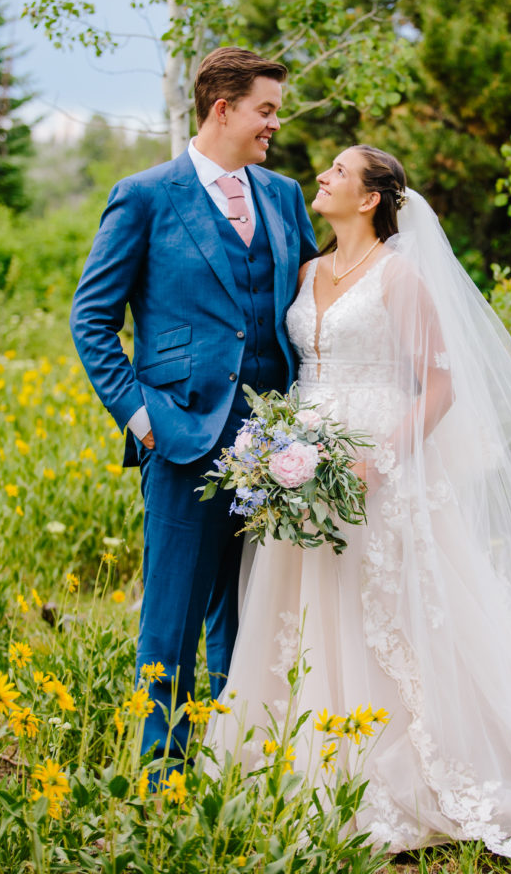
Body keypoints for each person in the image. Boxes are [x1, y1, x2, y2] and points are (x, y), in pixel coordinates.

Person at [205, 144, 511, 870]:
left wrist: (377, 462)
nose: (320, 178)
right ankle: (303, 764)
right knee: (307, 608)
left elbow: (440, 387)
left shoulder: (401, 277)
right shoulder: (306, 271)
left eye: (336, 172)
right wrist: (282, 451)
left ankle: (407, 767)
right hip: (304, 465)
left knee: (392, 616)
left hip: (379, 468)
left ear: (368, 199)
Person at [70, 47, 317, 761]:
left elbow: (303, 304)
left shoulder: (283, 195)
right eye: (265, 110)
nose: (274, 123)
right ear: (222, 108)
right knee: (172, 616)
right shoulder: (145, 194)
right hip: (180, 435)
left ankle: (234, 757)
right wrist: (140, 416)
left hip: (280, 446)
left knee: (249, 607)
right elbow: (92, 319)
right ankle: (162, 772)